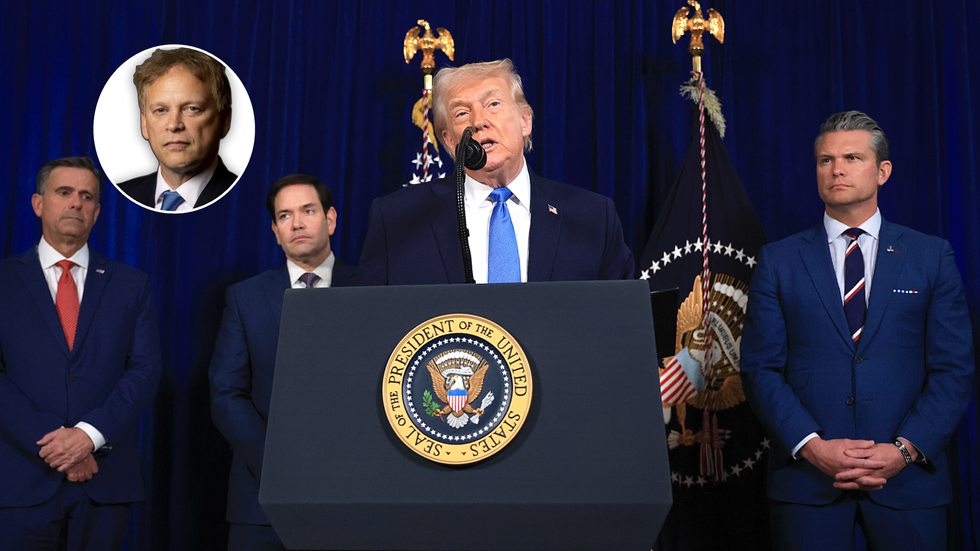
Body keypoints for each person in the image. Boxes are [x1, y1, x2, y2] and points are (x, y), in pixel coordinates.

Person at [741, 111, 975, 550]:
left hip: (908, 486)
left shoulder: (930, 256)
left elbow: (954, 369)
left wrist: (903, 451)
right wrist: (812, 447)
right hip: (807, 485)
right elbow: (760, 369)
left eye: (852, 157)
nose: (837, 169)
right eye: (825, 160)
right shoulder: (779, 260)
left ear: (882, 171)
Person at [0, 157, 162, 550]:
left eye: (86, 196)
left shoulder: (131, 284)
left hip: (104, 483)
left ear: (97, 212)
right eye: (64, 192)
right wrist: (62, 447)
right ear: (39, 204)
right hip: (21, 482)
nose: (75, 203)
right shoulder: (4, 281)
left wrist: (88, 437)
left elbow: (144, 370)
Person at [359, 59, 633, 284]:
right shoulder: (397, 220)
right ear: (450, 142)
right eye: (462, 113)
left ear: (525, 121)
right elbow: (370, 327)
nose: (479, 121)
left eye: (493, 104)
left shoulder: (593, 218)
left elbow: (621, 324)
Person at [209, 174, 362, 550]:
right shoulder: (244, 298)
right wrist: (279, 464)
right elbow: (226, 394)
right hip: (261, 501)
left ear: (330, 219)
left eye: (307, 211)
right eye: (284, 216)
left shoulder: (373, 288)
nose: (296, 223)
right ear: (275, 230)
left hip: (354, 498)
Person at [119, 47, 237, 211]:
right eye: (161, 110)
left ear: (224, 121)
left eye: (192, 109)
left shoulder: (244, 198)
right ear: (144, 124)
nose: (174, 125)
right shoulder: (118, 197)